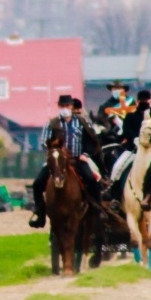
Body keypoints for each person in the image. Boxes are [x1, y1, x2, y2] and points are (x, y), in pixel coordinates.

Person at [28, 93, 104, 229]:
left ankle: (97, 208)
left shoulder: (82, 122)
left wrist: (85, 154)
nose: (65, 108)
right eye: (62, 105)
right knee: (37, 183)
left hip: (77, 159)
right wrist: (53, 148)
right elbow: (44, 143)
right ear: (59, 106)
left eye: (67, 105)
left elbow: (91, 140)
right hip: (57, 160)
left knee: (91, 180)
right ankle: (40, 212)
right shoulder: (51, 124)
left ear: (71, 106)